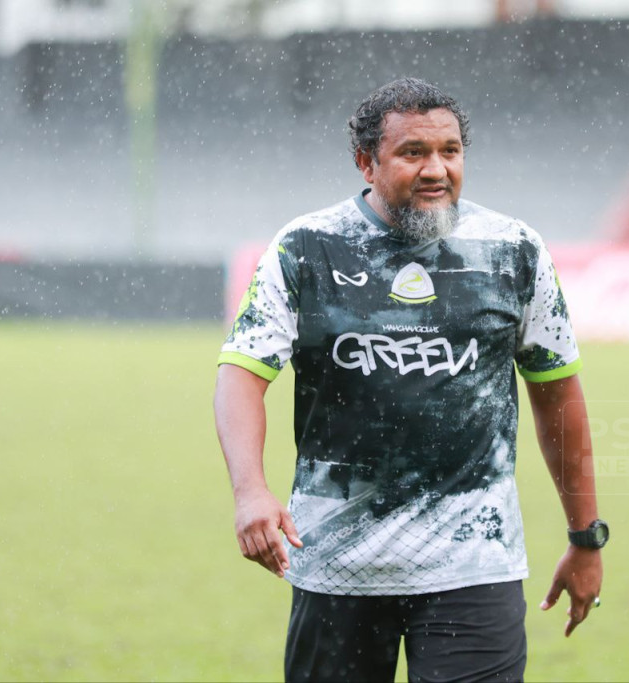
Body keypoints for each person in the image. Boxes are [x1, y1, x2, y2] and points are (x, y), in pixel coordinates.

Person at [214, 77, 606, 682]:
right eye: (413, 152)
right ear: (365, 162)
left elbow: (559, 399)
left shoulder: (513, 251)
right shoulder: (307, 248)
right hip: (336, 563)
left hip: (474, 566)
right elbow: (241, 373)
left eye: (450, 151)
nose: (436, 170)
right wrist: (250, 491)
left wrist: (586, 537)